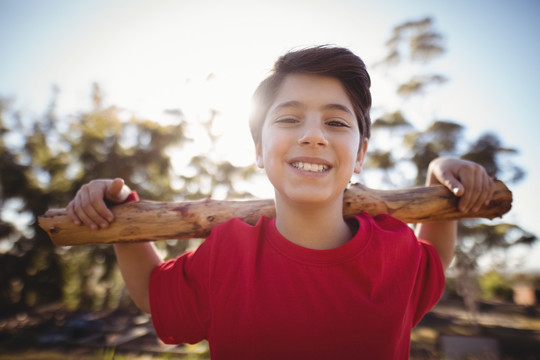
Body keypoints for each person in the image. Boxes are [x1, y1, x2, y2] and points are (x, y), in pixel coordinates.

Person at [67, 46, 494, 359]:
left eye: (336, 121)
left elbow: (436, 245)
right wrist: (121, 210)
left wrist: (440, 172)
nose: (313, 135)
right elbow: (151, 292)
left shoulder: (397, 251)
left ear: (360, 154)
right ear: (258, 148)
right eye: (289, 118)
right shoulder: (228, 253)